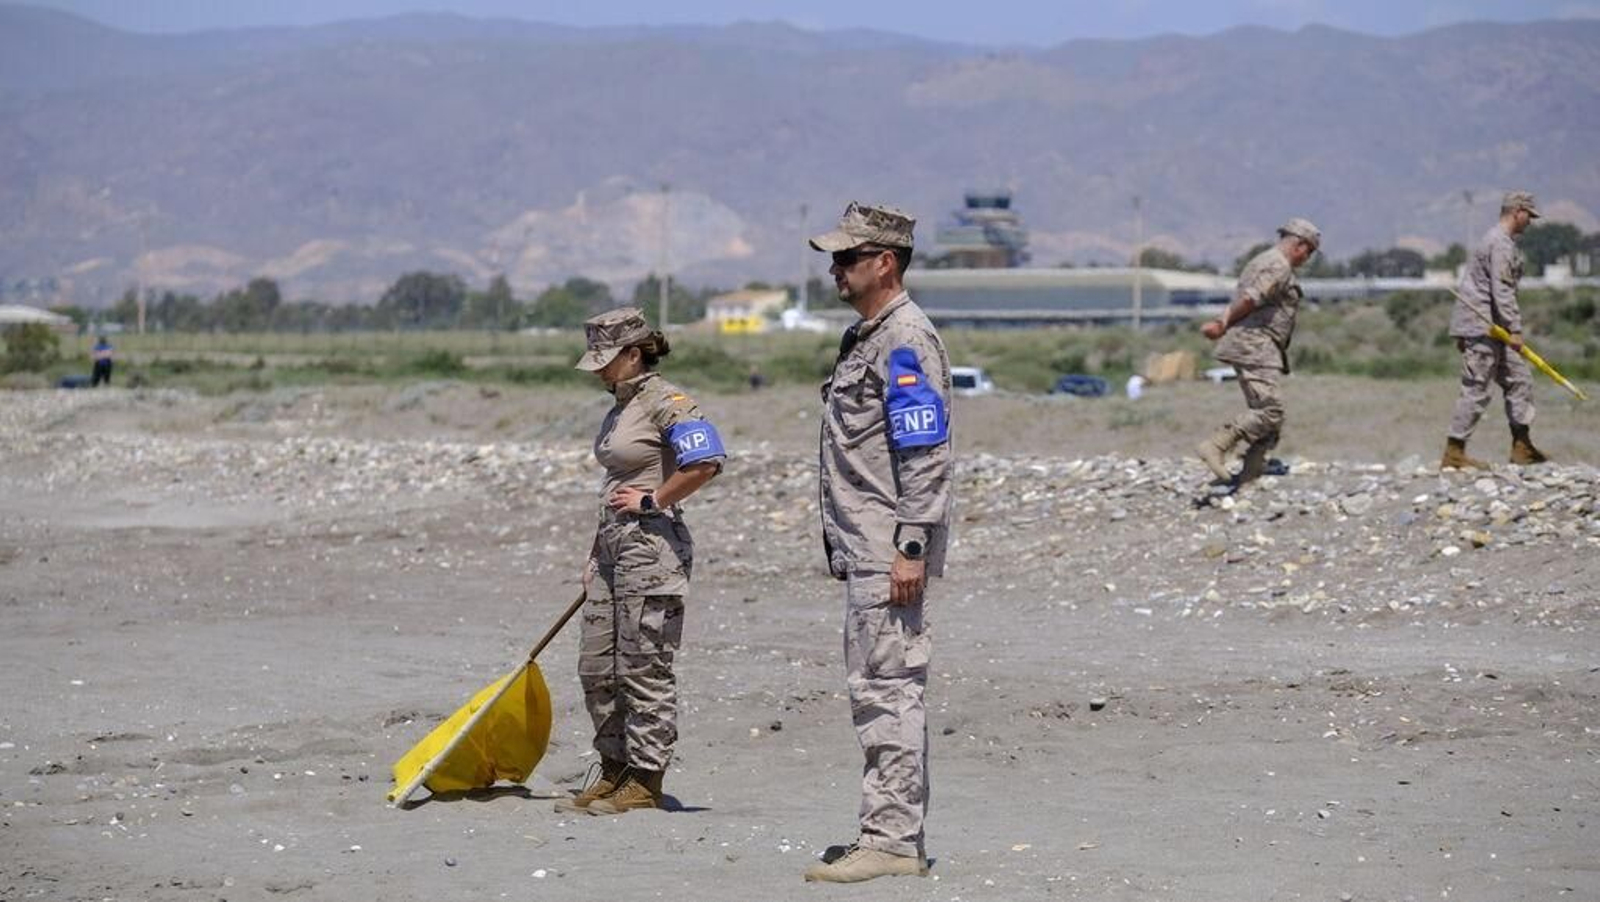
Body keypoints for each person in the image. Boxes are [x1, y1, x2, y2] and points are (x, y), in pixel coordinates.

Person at [805, 202, 954, 883]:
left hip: (885, 547)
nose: (835, 269)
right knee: (878, 688)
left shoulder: (905, 339)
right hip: (863, 546)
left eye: (847, 258)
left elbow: (924, 449)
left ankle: (891, 841)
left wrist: (911, 547)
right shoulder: (862, 336)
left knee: (889, 690)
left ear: (884, 263)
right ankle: (892, 833)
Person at [555, 307, 726, 816]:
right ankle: (613, 771)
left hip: (652, 550)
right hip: (612, 549)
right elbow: (611, 487)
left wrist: (656, 500)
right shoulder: (620, 407)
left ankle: (646, 780)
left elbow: (707, 460)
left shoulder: (666, 402)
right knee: (597, 667)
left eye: (608, 360)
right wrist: (594, 553)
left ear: (634, 354)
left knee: (643, 666)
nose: (601, 371)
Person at [1195, 217, 1322, 488]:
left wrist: (1223, 321)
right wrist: (1222, 322)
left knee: (1266, 415)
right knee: (1270, 410)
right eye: (1308, 251)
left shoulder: (1263, 260)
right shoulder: (1278, 266)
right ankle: (1217, 445)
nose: (1307, 258)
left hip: (1259, 345)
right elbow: (1250, 299)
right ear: (1299, 245)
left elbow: (1248, 298)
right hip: (1256, 344)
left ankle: (1251, 473)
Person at [1441, 190, 1548, 469]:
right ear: (1517, 212)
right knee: (1476, 387)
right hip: (1484, 328)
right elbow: (1501, 290)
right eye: (1529, 216)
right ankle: (1454, 452)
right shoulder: (1498, 243)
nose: (1530, 222)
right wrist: (1514, 328)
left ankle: (1522, 447)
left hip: (1494, 328)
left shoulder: (1502, 242)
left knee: (1520, 380)